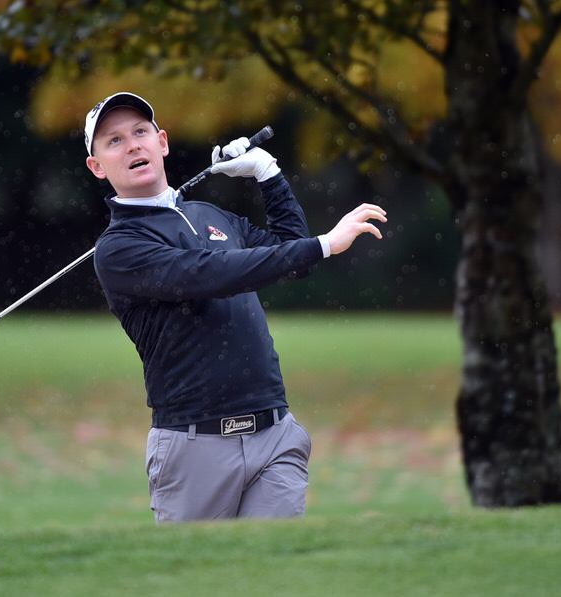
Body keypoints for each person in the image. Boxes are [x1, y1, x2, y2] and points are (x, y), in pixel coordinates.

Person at [83, 91, 386, 522]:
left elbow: (289, 255)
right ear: (97, 167)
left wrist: (268, 174)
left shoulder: (211, 215)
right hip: (193, 445)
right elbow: (213, 273)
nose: (132, 145)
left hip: (274, 435)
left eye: (140, 132)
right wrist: (325, 245)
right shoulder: (119, 249)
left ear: (162, 142)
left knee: (275, 579)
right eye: (114, 141)